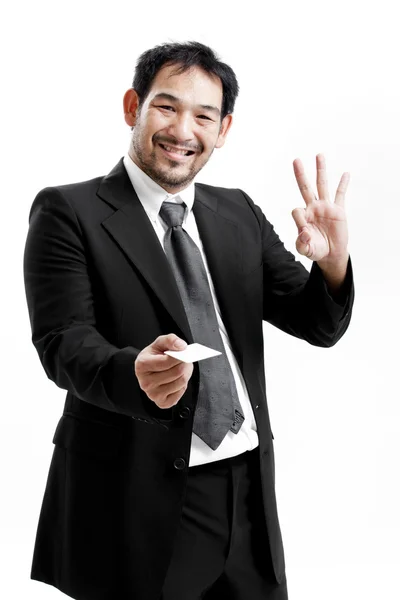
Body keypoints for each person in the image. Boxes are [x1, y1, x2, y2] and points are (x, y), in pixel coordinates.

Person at [23, 41, 354, 600]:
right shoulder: (69, 211)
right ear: (133, 107)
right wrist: (134, 373)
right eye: (166, 107)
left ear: (223, 130)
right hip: (135, 500)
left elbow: (316, 324)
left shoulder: (237, 212)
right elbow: (63, 342)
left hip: (246, 495)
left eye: (204, 115)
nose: (183, 130)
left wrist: (332, 260)